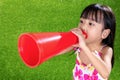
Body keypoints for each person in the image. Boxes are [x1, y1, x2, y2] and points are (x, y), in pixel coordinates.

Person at [59, 3, 116, 80]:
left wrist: (84, 47)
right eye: (82, 21)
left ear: (104, 33)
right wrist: (68, 38)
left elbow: (105, 73)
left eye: (90, 24)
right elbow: (58, 50)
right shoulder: (78, 44)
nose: (83, 27)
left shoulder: (105, 50)